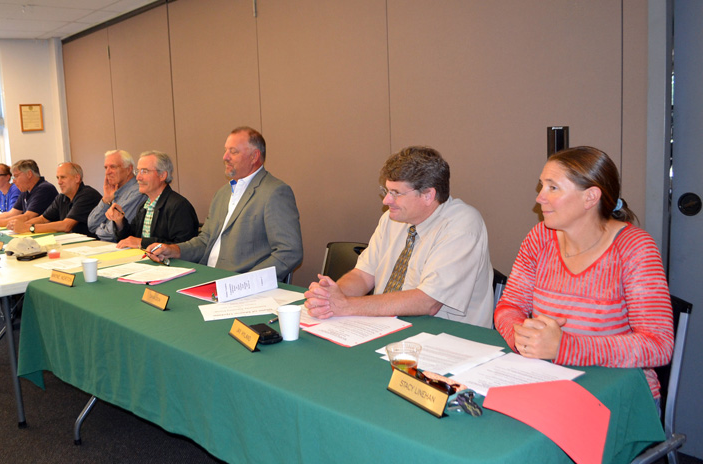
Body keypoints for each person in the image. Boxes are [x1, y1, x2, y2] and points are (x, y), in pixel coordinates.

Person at [494, 146, 673, 400]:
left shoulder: (634, 248)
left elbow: (658, 345)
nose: (540, 197)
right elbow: (509, 306)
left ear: (590, 198)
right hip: (550, 383)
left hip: (620, 397)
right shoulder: (540, 238)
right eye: (542, 185)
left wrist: (564, 347)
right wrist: (522, 338)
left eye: (552, 187)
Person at [304, 146, 493, 327]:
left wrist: (347, 306)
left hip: (448, 338)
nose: (387, 201)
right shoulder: (392, 218)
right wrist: (331, 298)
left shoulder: (462, 225)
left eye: (396, 193)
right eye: (386, 191)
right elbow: (363, 274)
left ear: (428, 195)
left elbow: (429, 302)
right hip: (389, 326)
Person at [146, 127, 303, 282]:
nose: (225, 157)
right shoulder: (222, 193)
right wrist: (173, 250)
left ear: (254, 156)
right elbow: (205, 241)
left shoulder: (274, 192)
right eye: (226, 150)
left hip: (241, 286)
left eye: (233, 152)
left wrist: (248, 282)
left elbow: (289, 251)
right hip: (206, 278)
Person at [108, 151, 198, 249]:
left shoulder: (179, 206)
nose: (138, 177)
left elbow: (182, 247)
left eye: (144, 171)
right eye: (138, 171)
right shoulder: (144, 206)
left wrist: (142, 242)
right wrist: (119, 221)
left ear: (162, 176)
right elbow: (131, 239)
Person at [8, 162, 101, 236]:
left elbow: (66, 225)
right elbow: (43, 219)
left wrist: (28, 228)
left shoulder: (87, 195)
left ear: (77, 178)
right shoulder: (62, 197)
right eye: (57, 178)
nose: (59, 182)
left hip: (93, 246)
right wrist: (19, 225)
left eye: (63, 177)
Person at [0, 159, 58, 228]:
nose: (13, 181)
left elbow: (27, 217)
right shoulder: (25, 190)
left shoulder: (44, 188)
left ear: (29, 174)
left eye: (16, 176)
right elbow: (12, 214)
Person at [86, 150, 146, 242]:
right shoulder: (115, 191)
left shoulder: (137, 191)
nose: (107, 172)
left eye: (113, 167)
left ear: (129, 169)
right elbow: (91, 225)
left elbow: (111, 234)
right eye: (106, 168)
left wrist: (99, 228)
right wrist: (106, 200)